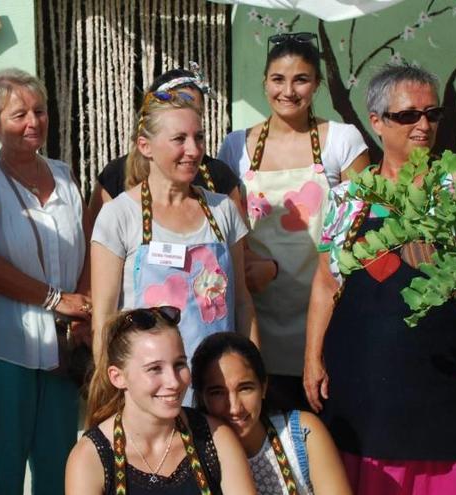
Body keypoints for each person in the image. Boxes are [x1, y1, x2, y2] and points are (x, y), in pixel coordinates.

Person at [304, 63, 456, 494]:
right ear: (376, 122)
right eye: (408, 115)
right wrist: (312, 357)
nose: (423, 125)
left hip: (445, 382)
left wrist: (453, 261)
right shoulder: (349, 198)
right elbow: (326, 281)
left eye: (432, 114)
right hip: (364, 388)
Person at [216, 32, 370, 411]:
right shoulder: (236, 146)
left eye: (301, 79)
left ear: (316, 83)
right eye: (278, 79)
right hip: (259, 311)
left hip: (326, 308)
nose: (288, 90)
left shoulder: (342, 140)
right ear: (265, 82)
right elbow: (227, 226)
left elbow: (364, 222)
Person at [0, 68, 91, 495]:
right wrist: (57, 300)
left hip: (63, 348)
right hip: (7, 346)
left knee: (60, 465)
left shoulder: (65, 174)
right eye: (19, 115)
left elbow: (88, 247)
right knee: (3, 469)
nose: (32, 122)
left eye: (39, 111)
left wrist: (83, 311)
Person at [91, 91, 258, 406]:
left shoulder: (222, 210)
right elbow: (104, 319)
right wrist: (114, 397)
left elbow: (243, 305)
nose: (193, 151)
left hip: (220, 390)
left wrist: (253, 378)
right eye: (179, 139)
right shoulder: (119, 216)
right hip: (151, 394)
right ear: (146, 146)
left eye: (199, 137)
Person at [66, 307, 256, 494]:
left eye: (179, 364)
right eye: (155, 368)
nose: (173, 382)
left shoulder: (215, 438)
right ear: (118, 377)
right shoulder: (90, 458)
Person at [192, 332, 350, 494]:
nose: (234, 408)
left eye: (245, 388)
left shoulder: (302, 435)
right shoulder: (191, 457)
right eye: (218, 392)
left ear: (263, 387)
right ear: (201, 397)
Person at [88, 66, 241, 224]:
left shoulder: (218, 175)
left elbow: (240, 246)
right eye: (180, 105)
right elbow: (94, 237)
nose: (193, 150)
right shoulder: (116, 176)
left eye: (197, 110)